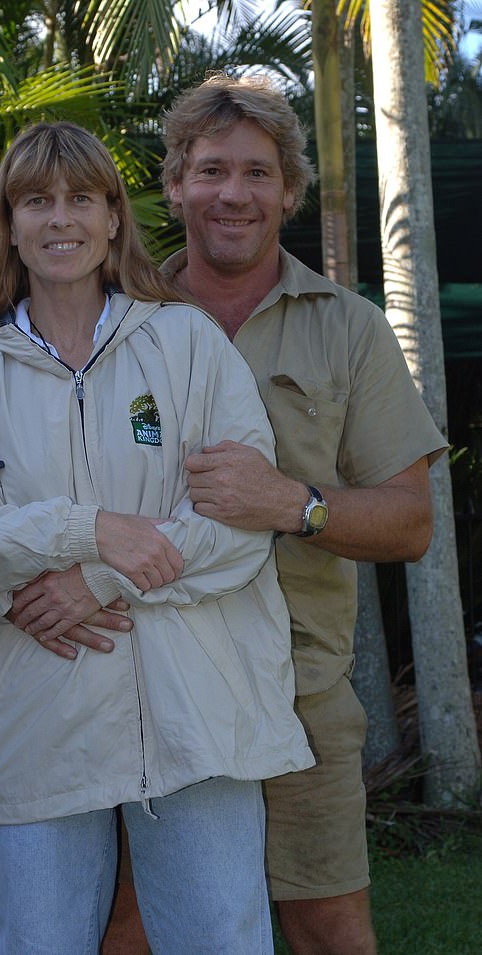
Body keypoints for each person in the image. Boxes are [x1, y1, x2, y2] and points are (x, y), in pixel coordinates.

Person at [0, 120, 315, 955]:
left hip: (198, 718)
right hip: (34, 725)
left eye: (82, 198)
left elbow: (238, 525)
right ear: (8, 224)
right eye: (36, 200)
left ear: (115, 218)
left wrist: (100, 579)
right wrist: (84, 529)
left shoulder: (187, 343)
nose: (61, 219)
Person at [102, 73, 449, 954]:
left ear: (289, 191)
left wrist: (294, 503)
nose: (234, 194)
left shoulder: (350, 327)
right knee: (134, 928)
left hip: (301, 696)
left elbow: (411, 523)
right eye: (211, 169)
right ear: (173, 182)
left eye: (258, 173)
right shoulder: (116, 324)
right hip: (148, 684)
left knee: (328, 926)